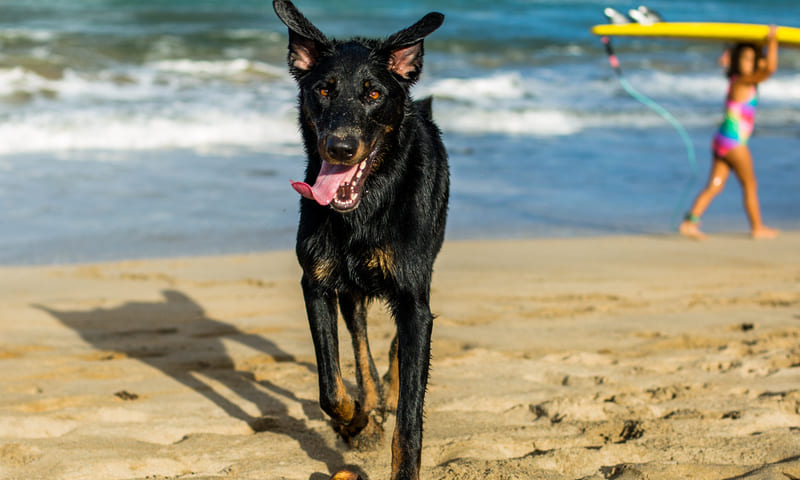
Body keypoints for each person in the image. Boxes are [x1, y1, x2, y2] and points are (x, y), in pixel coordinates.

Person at [679, 26, 779, 240]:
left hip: (721, 140)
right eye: (744, 58)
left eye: (752, 59)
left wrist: (742, 50)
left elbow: (758, 65)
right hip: (734, 143)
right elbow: (770, 69)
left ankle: (690, 222)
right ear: (736, 60)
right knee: (750, 184)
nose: (749, 63)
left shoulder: (735, 80)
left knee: (715, 185)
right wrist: (772, 42)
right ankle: (757, 227)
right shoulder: (743, 82)